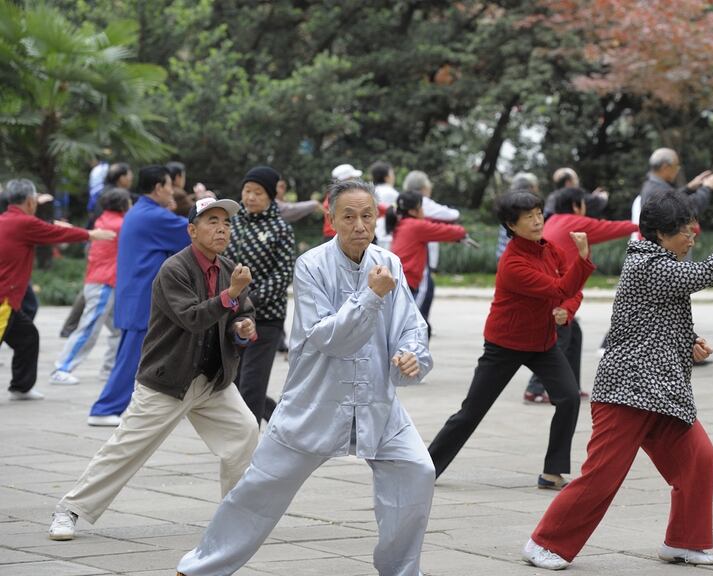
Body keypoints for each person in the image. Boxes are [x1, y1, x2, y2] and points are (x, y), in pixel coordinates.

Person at [177, 179, 434, 576]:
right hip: (316, 403)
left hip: (377, 403)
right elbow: (329, 338)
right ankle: (201, 567)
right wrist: (370, 296)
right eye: (349, 217)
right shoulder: (311, 265)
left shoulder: (390, 264)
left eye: (367, 216)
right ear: (331, 219)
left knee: (417, 470)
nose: (360, 226)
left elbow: (410, 325)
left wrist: (411, 355)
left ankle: (401, 572)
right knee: (259, 488)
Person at [523, 191, 713, 570]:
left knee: (699, 458)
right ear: (659, 233)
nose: (692, 237)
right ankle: (543, 543)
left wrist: (689, 342)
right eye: (684, 232)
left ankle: (684, 542)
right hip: (627, 392)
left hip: (661, 392)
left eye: (692, 230)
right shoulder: (648, 265)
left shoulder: (660, 261)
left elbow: (651, 322)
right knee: (602, 476)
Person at [47, 196, 260, 541]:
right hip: (168, 380)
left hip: (212, 380)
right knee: (125, 449)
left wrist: (243, 325)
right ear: (192, 230)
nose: (222, 228)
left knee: (245, 431)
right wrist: (231, 295)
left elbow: (242, 310)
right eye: (212, 221)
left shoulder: (226, 268)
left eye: (226, 222)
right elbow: (192, 318)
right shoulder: (174, 270)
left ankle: (234, 515)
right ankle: (69, 509)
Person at [428, 191, 593, 489]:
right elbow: (561, 287)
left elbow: (572, 292)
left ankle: (552, 472)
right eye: (528, 217)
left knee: (568, 397)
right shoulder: (513, 263)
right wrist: (582, 258)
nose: (536, 220)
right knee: (471, 412)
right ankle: (425, 469)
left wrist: (566, 312)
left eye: (539, 213)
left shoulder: (550, 249)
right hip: (504, 345)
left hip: (542, 344)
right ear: (511, 225)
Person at [87, 166, 190, 427]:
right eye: (169, 186)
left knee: (137, 355)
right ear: (158, 188)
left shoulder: (141, 212)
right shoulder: (153, 216)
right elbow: (194, 232)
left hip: (136, 296)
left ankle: (134, 405)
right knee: (131, 358)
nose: (172, 191)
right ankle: (105, 407)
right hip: (142, 299)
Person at [0, 180, 115, 401]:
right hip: (4, 297)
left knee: (28, 337)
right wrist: (91, 235)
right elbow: (54, 234)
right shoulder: (23, 223)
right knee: (26, 337)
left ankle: (21, 387)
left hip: (9, 296)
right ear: (31, 201)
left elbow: (47, 228)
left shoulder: (9, 220)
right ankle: (21, 387)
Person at [522, 187, 638, 404]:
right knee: (559, 339)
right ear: (577, 206)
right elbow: (610, 228)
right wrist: (647, 226)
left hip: (547, 287)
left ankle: (571, 386)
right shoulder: (574, 222)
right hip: (552, 292)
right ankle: (535, 388)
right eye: (584, 202)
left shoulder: (555, 219)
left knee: (573, 334)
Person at [224, 166, 295, 424]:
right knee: (233, 383)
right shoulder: (231, 224)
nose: (251, 197)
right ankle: (283, 423)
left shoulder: (280, 229)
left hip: (265, 319)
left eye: (258, 192)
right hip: (231, 316)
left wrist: (249, 299)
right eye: (247, 191)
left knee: (251, 387)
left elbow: (283, 274)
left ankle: (248, 446)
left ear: (270, 196)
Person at [50, 189, 131, 386]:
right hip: (104, 284)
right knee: (88, 329)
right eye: (129, 202)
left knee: (120, 330)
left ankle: (110, 371)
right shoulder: (120, 224)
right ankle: (62, 368)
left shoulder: (104, 219)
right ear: (122, 205)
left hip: (102, 282)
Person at [387, 190, 467, 332]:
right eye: (421, 207)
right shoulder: (417, 226)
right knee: (415, 326)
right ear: (413, 210)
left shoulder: (401, 224)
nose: (423, 210)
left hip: (397, 280)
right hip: (408, 282)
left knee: (402, 325)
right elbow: (457, 231)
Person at [402, 170, 460, 332]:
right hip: (417, 260)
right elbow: (452, 215)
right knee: (422, 293)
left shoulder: (399, 203)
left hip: (397, 256)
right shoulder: (421, 206)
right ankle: (418, 327)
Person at [638, 148, 713, 215]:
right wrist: (707, 187)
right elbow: (689, 207)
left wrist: (689, 188)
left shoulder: (651, 184)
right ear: (665, 167)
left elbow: (672, 198)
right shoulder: (658, 190)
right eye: (676, 165)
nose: (678, 169)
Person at [496, 173, 540, 261]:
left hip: (503, 257)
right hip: (514, 260)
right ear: (530, 188)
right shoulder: (522, 209)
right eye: (536, 187)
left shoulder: (508, 206)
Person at [322, 163, 362, 241]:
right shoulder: (343, 196)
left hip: (335, 234)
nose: (356, 180)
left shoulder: (332, 194)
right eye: (353, 178)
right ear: (346, 180)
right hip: (337, 235)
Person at [370, 160, 400, 248]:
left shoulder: (371, 191)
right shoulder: (392, 193)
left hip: (374, 233)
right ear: (387, 177)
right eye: (392, 174)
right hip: (387, 235)